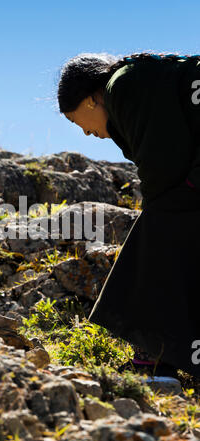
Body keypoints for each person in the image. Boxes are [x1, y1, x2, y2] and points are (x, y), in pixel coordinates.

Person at [57, 51, 200, 379]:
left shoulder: (123, 86)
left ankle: (154, 353)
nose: (83, 132)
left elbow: (164, 169)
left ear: (91, 100)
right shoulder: (144, 81)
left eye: (73, 119)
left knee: (160, 223)